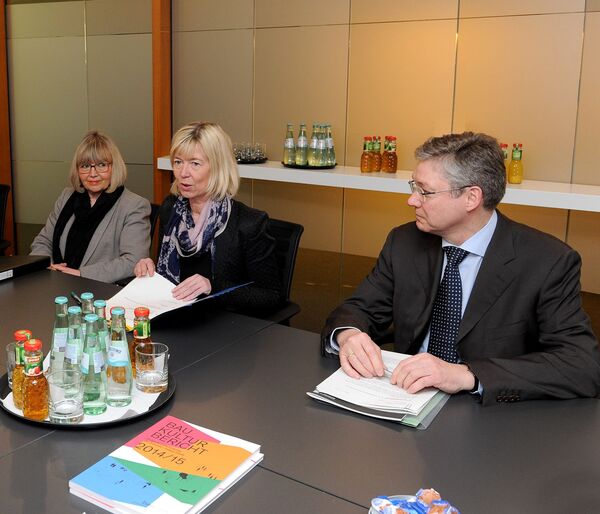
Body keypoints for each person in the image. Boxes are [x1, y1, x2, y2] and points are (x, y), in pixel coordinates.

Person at [322, 131, 600, 405]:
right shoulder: (405, 241)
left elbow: (580, 365)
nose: (412, 200)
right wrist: (349, 335)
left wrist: (467, 375)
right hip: (402, 397)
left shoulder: (547, 260)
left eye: (425, 192)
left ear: (471, 198)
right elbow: (359, 308)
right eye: (413, 187)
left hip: (487, 415)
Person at [134, 121, 284, 316]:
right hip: (175, 316)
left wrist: (212, 286)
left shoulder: (248, 223)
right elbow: (166, 274)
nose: (183, 173)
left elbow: (271, 295)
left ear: (218, 167)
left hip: (226, 325)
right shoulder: (171, 209)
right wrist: (149, 269)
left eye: (195, 163)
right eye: (178, 162)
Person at [30, 130, 151, 283]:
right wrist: (48, 266)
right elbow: (42, 242)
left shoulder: (134, 205)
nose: (93, 174)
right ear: (77, 170)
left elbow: (133, 261)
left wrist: (79, 273)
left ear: (115, 167)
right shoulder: (67, 196)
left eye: (101, 165)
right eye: (85, 166)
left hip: (100, 291)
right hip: (55, 282)